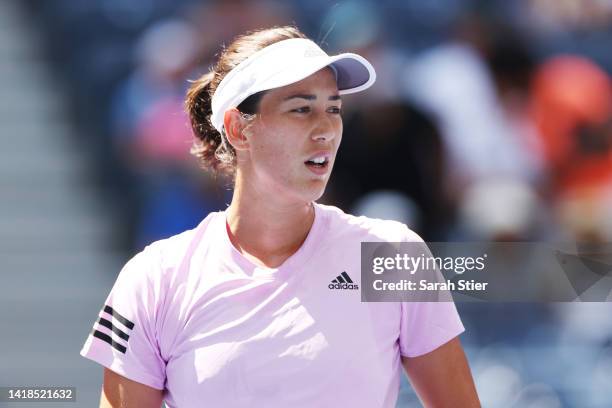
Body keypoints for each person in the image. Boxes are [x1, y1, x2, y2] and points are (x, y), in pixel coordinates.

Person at [80, 25, 480, 408]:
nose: (326, 130)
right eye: (302, 109)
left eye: (334, 109)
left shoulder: (394, 255)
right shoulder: (151, 278)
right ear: (238, 129)